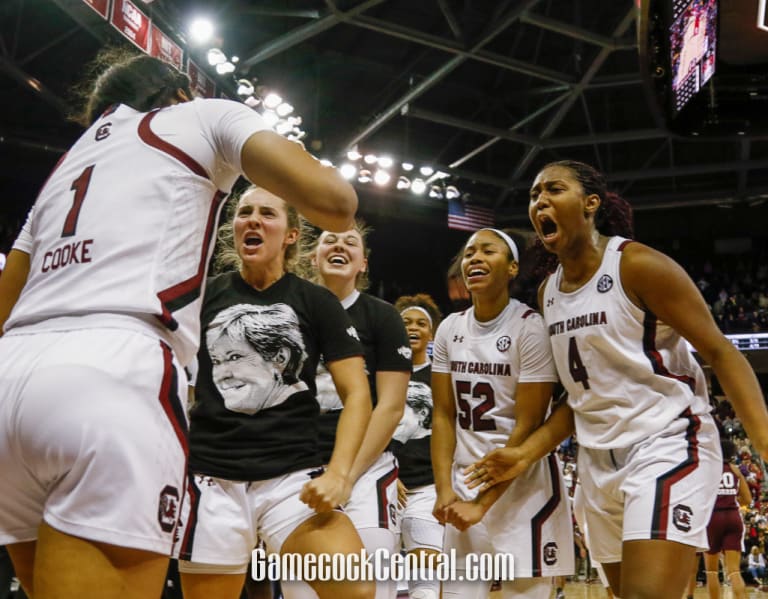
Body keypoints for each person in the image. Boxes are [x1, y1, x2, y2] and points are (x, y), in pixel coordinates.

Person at [0, 49, 357, 599]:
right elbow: (337, 204)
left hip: (11, 377)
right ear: (180, 95)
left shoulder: (67, 165)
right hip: (113, 366)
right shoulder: (203, 115)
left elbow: (5, 304)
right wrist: (298, 156)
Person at [466, 160, 768, 599]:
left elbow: (721, 352)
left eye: (554, 189)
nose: (540, 201)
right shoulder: (548, 293)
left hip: (666, 443)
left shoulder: (637, 265)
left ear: (591, 204)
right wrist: (522, 455)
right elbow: (578, 398)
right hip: (596, 460)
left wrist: (763, 446)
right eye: (533, 195)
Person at [178, 186, 373, 599]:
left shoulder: (317, 301)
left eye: (267, 213)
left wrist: (338, 473)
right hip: (213, 479)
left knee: (354, 588)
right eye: (244, 212)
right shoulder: (204, 295)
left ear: (290, 235)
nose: (252, 219)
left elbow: (357, 394)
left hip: (291, 479)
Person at [431, 228, 574, 599]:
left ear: (512, 268)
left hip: (523, 489)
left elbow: (529, 425)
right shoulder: (449, 328)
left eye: (487, 251)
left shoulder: (530, 327)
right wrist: (445, 490)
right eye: (468, 253)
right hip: (465, 483)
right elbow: (444, 415)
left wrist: (483, 504)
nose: (474, 258)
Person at [301, 222, 412, 599]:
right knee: (303, 589)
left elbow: (392, 407)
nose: (339, 245)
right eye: (329, 240)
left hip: (365, 468)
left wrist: (344, 474)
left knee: (371, 584)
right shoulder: (289, 310)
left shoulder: (382, 316)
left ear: (363, 263)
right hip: (298, 467)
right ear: (312, 257)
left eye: (351, 243)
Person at [391, 293, 444, 599]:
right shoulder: (378, 374)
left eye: (421, 323)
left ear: (431, 333)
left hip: (427, 488)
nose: (413, 327)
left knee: (425, 585)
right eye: (406, 321)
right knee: (378, 583)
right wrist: (385, 469)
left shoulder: (441, 377)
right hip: (382, 483)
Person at [702, 438, 751, 599]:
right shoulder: (736, 470)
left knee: (711, 571)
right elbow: (748, 500)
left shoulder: (707, 469)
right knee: (734, 571)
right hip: (733, 517)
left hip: (713, 517)